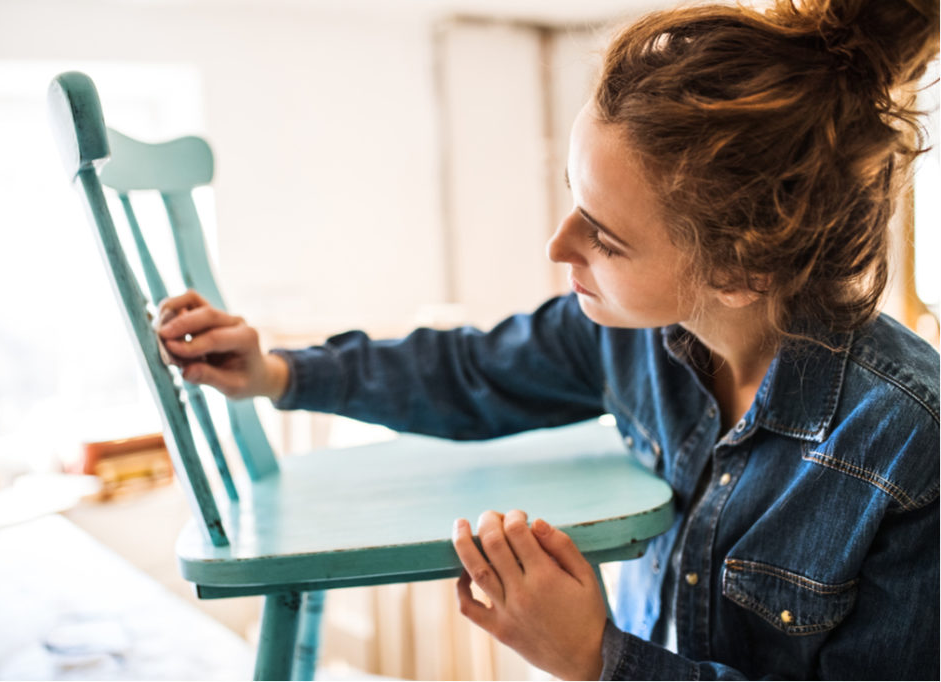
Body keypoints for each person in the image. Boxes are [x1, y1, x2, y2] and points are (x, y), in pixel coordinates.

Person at [157, 0, 940, 678]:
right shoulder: (630, 337)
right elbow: (468, 371)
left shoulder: (912, 446)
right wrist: (279, 372)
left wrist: (597, 660)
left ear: (737, 272)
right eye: (574, 199)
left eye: (604, 235)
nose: (558, 245)